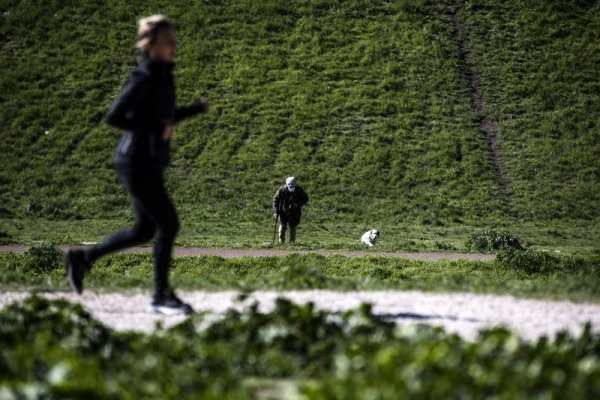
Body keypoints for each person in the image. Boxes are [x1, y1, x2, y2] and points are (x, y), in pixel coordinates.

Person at [64, 15, 209, 315]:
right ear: (152, 45)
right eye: (168, 41)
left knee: (145, 230)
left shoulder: (163, 75)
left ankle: (82, 259)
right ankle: (161, 296)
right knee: (168, 224)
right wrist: (155, 129)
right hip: (135, 161)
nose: (174, 46)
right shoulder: (145, 76)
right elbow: (115, 116)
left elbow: (162, 120)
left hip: (149, 162)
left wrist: (193, 111)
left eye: (174, 41)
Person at [272, 177, 309, 244]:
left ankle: (292, 243)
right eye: (289, 185)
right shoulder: (281, 190)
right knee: (282, 226)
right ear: (286, 184)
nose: (291, 186)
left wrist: (297, 204)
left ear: (295, 184)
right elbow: (275, 200)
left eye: (293, 185)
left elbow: (306, 199)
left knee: (293, 226)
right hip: (283, 211)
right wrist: (276, 211)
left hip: (294, 212)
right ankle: (281, 242)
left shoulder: (299, 190)